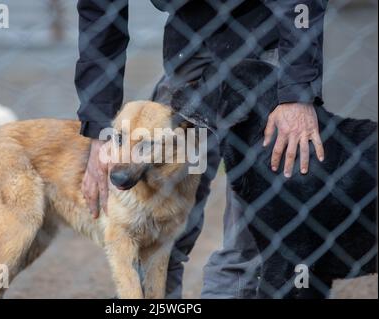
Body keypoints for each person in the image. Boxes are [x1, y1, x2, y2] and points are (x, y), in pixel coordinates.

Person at [75, 0, 327, 298]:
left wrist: (295, 94)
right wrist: (99, 133)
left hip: (267, 44)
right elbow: (101, 18)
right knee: (155, 226)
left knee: (249, 238)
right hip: (192, 47)